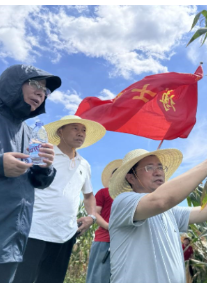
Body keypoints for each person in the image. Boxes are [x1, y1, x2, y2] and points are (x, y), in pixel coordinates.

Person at [108, 141, 207, 283]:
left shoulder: (169, 212)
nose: (158, 172)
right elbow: (160, 200)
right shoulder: (124, 202)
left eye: (160, 167)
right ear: (131, 178)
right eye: (149, 168)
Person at [13, 115, 106, 283]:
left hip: (65, 235)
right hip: (33, 230)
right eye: (75, 128)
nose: (81, 134)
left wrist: (92, 217)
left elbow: (89, 195)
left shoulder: (84, 164)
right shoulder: (44, 153)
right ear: (60, 131)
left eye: (83, 130)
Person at [0, 64, 61, 283]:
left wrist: (45, 168)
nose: (41, 93)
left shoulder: (29, 132)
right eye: (35, 84)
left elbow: (36, 181)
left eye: (45, 91)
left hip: (13, 238)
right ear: (12, 83)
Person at [86, 159, 122, 283]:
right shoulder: (103, 192)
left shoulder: (130, 196)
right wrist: (108, 226)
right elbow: (95, 212)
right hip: (105, 240)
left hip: (124, 242)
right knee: (99, 277)